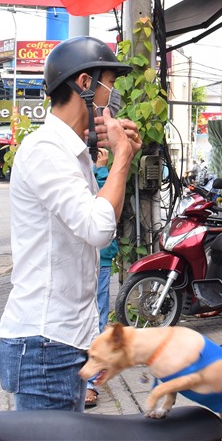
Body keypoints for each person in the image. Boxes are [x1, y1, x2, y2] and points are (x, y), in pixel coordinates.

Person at [0, 36, 141, 411]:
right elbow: (98, 228)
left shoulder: (74, 153)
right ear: (84, 83)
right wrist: (122, 158)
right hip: (45, 341)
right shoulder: (46, 150)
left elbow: (97, 223)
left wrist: (115, 156)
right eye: (109, 81)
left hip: (63, 338)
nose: (113, 94)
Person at [85, 147, 120, 409]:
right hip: (79, 257)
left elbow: (105, 206)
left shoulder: (103, 172)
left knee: (97, 321)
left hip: (101, 259)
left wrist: (102, 168)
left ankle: (91, 383)